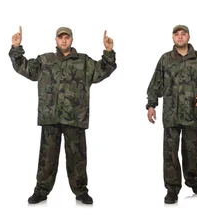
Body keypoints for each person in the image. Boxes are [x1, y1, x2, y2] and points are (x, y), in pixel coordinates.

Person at [8, 26, 116, 205]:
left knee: (78, 157)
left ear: (72, 40)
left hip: (76, 118)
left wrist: (108, 51)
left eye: (67, 37)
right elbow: (24, 67)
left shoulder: (84, 62)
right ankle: (41, 191)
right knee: (47, 157)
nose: (64, 40)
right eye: (61, 38)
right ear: (56, 40)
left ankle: (81, 191)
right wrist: (16, 48)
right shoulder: (45, 60)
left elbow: (102, 71)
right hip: (51, 117)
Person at [146, 24, 197, 204]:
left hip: (193, 114)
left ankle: (192, 181)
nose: (180, 37)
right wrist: (151, 105)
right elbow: (155, 85)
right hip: (171, 115)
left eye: (183, 34)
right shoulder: (165, 59)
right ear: (172, 38)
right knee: (170, 153)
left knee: (191, 151)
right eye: (176, 34)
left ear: (188, 37)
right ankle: (172, 188)